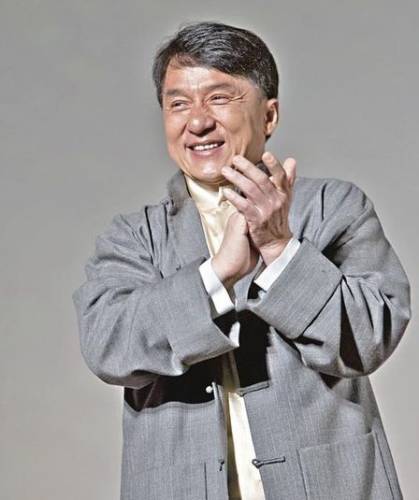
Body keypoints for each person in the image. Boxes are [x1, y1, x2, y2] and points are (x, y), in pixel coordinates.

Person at [72, 21, 411, 500]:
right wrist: (217, 274)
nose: (197, 122)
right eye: (178, 104)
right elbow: (108, 346)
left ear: (269, 116)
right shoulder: (134, 238)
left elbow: (369, 338)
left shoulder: (333, 208)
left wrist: (280, 248)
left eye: (219, 98)